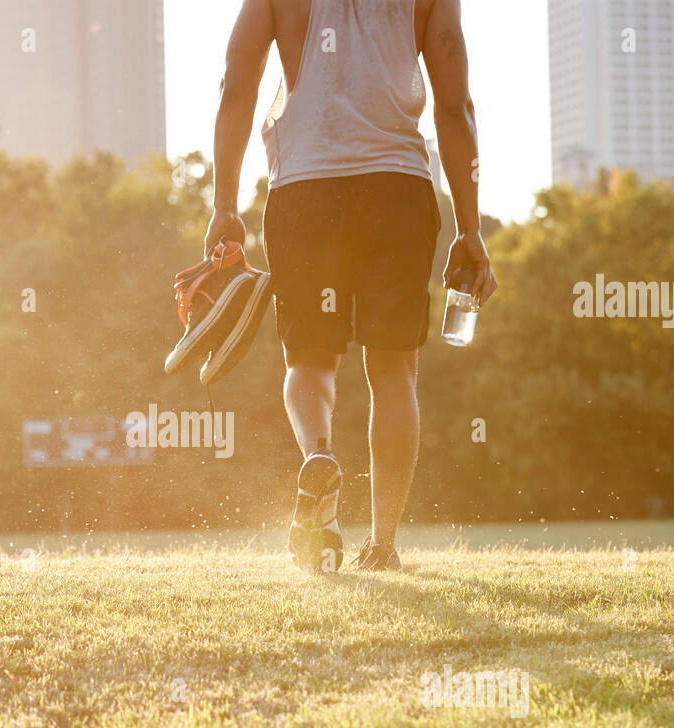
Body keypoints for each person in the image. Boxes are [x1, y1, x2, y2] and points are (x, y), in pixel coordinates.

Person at [205, 0, 499, 571]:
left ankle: (319, 455)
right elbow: (455, 107)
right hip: (398, 190)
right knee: (394, 370)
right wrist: (469, 229)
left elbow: (236, 85)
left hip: (306, 189)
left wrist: (223, 207)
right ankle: (382, 543)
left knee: (308, 361)